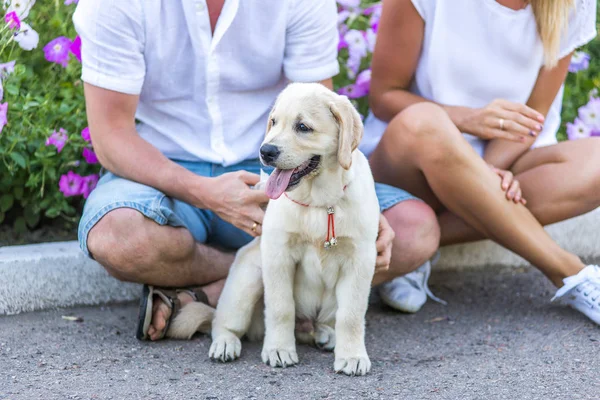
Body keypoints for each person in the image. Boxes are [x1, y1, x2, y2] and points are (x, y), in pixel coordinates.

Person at [72, 0, 440, 341]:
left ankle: (209, 293)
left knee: (413, 229)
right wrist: (204, 191)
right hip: (164, 167)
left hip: (282, 169)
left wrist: (356, 202)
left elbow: (322, 128)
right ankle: (262, 283)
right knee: (118, 238)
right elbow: (111, 137)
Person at [360, 0, 600, 324]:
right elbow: (385, 96)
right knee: (426, 123)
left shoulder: (571, 4)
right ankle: (570, 272)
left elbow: (534, 115)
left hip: (507, 156)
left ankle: (416, 241)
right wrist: (468, 119)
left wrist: (487, 169)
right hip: (413, 157)